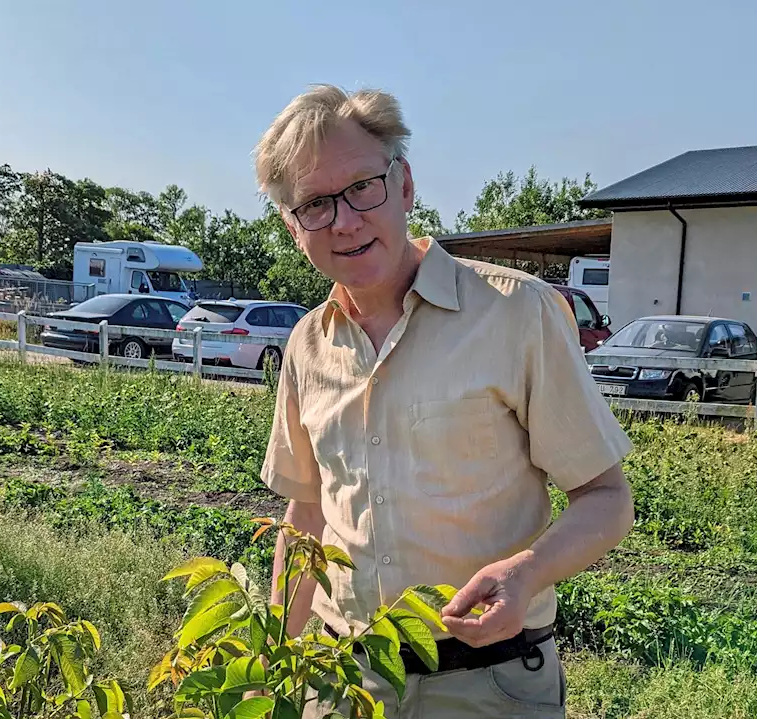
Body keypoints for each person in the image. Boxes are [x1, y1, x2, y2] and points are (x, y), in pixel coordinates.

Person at [254, 85, 635, 718]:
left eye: (362, 188)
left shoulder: (517, 313)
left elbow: (606, 497)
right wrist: (273, 662)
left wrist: (526, 574)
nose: (345, 220)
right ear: (294, 229)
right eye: (315, 204)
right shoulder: (306, 346)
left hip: (488, 682)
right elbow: (307, 513)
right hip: (340, 681)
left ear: (403, 185)